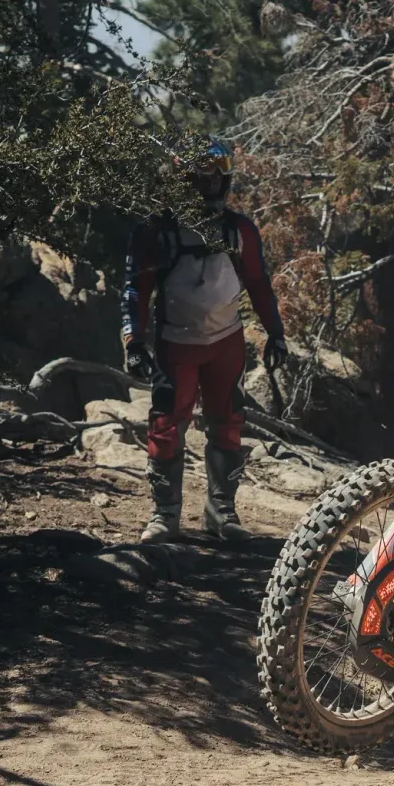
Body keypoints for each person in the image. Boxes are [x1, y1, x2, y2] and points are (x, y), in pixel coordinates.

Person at [122, 138, 289, 543]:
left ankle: (222, 514)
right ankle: (164, 516)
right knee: (165, 425)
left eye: (219, 171)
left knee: (228, 423)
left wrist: (276, 332)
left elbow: (258, 283)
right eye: (201, 173)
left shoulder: (240, 229)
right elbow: (135, 289)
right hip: (174, 344)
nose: (211, 181)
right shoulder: (155, 231)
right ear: (184, 178)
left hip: (225, 343)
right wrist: (133, 340)